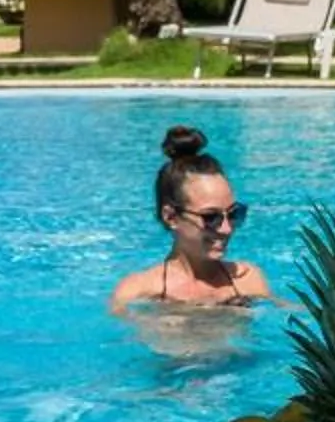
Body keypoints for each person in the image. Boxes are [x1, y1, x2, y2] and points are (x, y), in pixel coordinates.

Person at [111, 125, 279, 314]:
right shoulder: (136, 293)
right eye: (211, 217)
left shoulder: (248, 282)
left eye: (233, 214)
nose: (227, 229)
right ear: (171, 217)